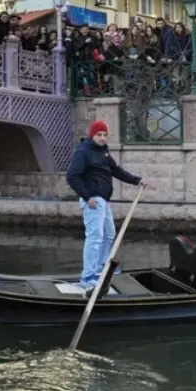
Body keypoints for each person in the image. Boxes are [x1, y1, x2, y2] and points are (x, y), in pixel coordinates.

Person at [65, 120, 145, 291]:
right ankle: (88, 277)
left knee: (109, 234)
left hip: (104, 200)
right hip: (93, 201)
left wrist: (137, 180)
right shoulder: (83, 152)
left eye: (104, 135)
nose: (102, 138)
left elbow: (115, 170)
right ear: (92, 135)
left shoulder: (104, 152)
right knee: (95, 238)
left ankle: (102, 268)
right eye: (99, 135)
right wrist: (87, 197)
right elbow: (72, 176)